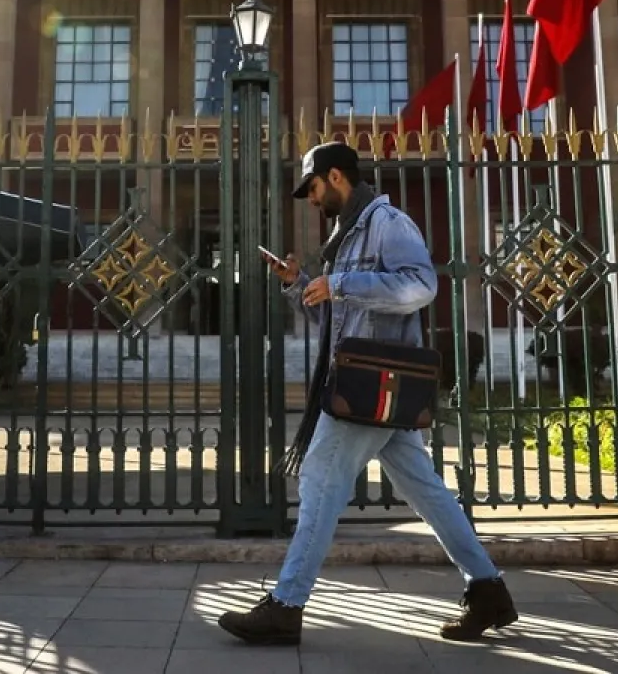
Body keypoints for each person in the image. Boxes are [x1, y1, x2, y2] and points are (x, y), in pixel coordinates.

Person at [217, 142, 517, 646]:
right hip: (373, 388)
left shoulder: (388, 223)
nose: (311, 200)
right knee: (427, 492)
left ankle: (286, 606)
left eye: (312, 188)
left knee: (318, 480)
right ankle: (488, 590)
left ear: (336, 177)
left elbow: (420, 287)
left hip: (371, 388)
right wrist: (302, 286)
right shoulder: (348, 233)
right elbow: (343, 321)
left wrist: (341, 284)